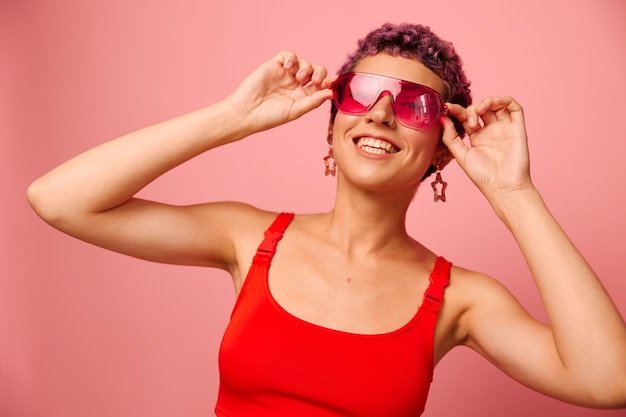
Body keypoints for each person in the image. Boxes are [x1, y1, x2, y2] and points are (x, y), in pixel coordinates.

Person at [27, 22, 626, 416]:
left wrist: (514, 192)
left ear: (442, 149)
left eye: (415, 104)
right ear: (335, 120)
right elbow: (60, 199)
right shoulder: (248, 237)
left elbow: (608, 380)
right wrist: (232, 116)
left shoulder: (460, 299)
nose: (383, 113)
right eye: (363, 93)